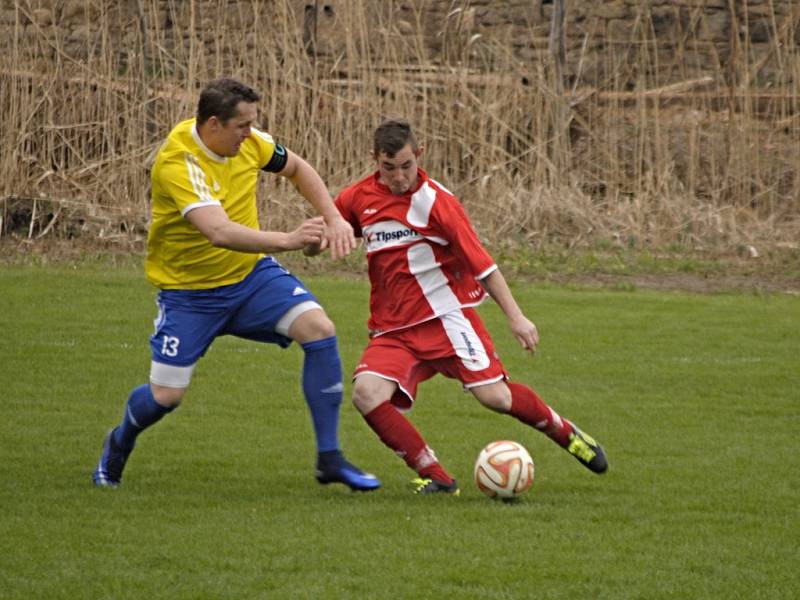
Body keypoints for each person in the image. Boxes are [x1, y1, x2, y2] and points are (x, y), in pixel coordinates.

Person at [92, 78, 380, 492]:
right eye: (242, 126)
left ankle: (330, 458)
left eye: (252, 124)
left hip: (249, 278)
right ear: (213, 125)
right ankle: (118, 442)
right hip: (190, 295)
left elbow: (297, 169)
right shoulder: (179, 163)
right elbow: (220, 232)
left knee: (319, 329)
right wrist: (290, 240)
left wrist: (334, 218)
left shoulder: (249, 144)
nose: (251, 134)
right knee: (165, 397)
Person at [330, 118, 607, 495]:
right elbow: (334, 226)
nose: (398, 177)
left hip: (446, 318)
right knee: (366, 393)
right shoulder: (358, 197)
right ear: (374, 160)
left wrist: (516, 316)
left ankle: (565, 432)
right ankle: (437, 477)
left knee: (496, 398)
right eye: (388, 167)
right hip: (393, 329)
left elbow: (483, 264)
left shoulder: (437, 203)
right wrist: (319, 237)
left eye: (407, 166)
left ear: (420, 156)